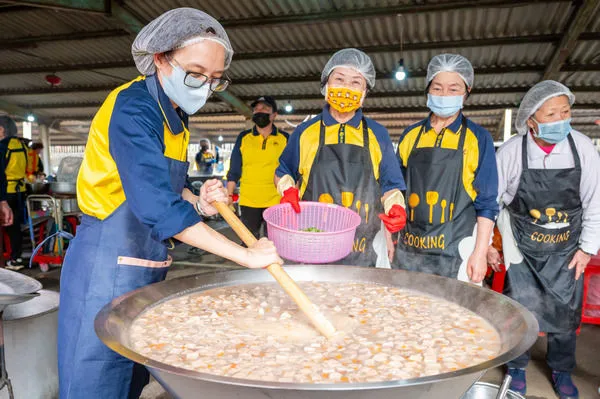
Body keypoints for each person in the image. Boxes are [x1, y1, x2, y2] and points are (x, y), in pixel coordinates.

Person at [57, 9, 282, 399]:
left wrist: (201, 204)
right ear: (160, 57)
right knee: (95, 378)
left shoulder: (173, 113)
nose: (203, 86)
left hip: (145, 265)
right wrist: (244, 255)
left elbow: (162, 186)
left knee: (128, 377)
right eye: (195, 73)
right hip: (104, 265)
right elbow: (156, 206)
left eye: (214, 79)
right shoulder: (133, 108)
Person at [490, 80, 600, 399]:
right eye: (551, 113)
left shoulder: (582, 148)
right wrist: (494, 245)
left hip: (567, 249)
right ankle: (516, 367)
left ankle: (562, 370)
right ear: (531, 121)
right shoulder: (513, 151)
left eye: (565, 111)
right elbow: (493, 201)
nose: (560, 119)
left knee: (565, 313)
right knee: (519, 310)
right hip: (522, 248)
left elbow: (595, 201)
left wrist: (586, 250)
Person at [275, 48, 407, 266]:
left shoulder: (377, 134)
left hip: (366, 247)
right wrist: (288, 190)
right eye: (339, 79)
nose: (346, 87)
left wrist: (396, 207)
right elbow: (283, 172)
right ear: (326, 83)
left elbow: (390, 184)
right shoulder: (306, 132)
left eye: (356, 82)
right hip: (315, 239)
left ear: (365, 91)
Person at [394, 54, 498, 283]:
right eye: (437, 88)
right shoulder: (410, 135)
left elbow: (488, 203)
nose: (444, 95)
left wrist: (480, 253)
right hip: (410, 250)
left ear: (466, 92)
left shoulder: (478, 138)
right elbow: (395, 191)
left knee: (456, 315)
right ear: (428, 90)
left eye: (453, 89)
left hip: (458, 252)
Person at [227, 96, 289, 238]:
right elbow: (234, 169)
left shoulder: (285, 139)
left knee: (275, 242)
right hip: (249, 201)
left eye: (265, 109)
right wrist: (229, 195)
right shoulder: (243, 138)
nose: (259, 111)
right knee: (249, 242)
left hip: (276, 201)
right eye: (256, 109)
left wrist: (292, 195)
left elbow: (291, 170)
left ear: (274, 115)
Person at [0, 115, 28, 270]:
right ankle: (15, 258)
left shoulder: (3, 146)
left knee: (5, 226)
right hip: (20, 191)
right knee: (15, 227)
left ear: (2, 130)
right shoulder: (22, 146)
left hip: (5, 192)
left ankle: (5, 260)